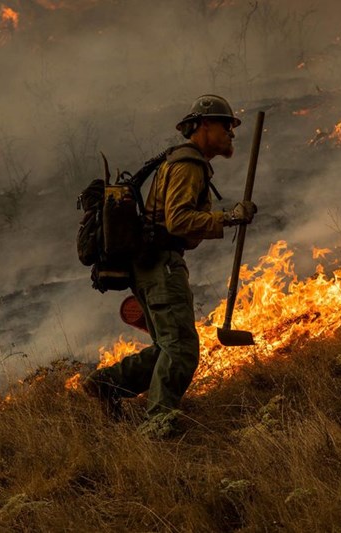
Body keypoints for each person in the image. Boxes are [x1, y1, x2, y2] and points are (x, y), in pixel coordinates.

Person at [84, 95, 257, 435]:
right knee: (180, 349)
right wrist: (229, 217)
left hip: (151, 265)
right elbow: (178, 220)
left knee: (167, 346)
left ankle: (107, 384)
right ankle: (158, 427)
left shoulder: (184, 162)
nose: (232, 132)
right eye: (226, 125)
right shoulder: (188, 163)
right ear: (203, 125)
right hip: (161, 265)